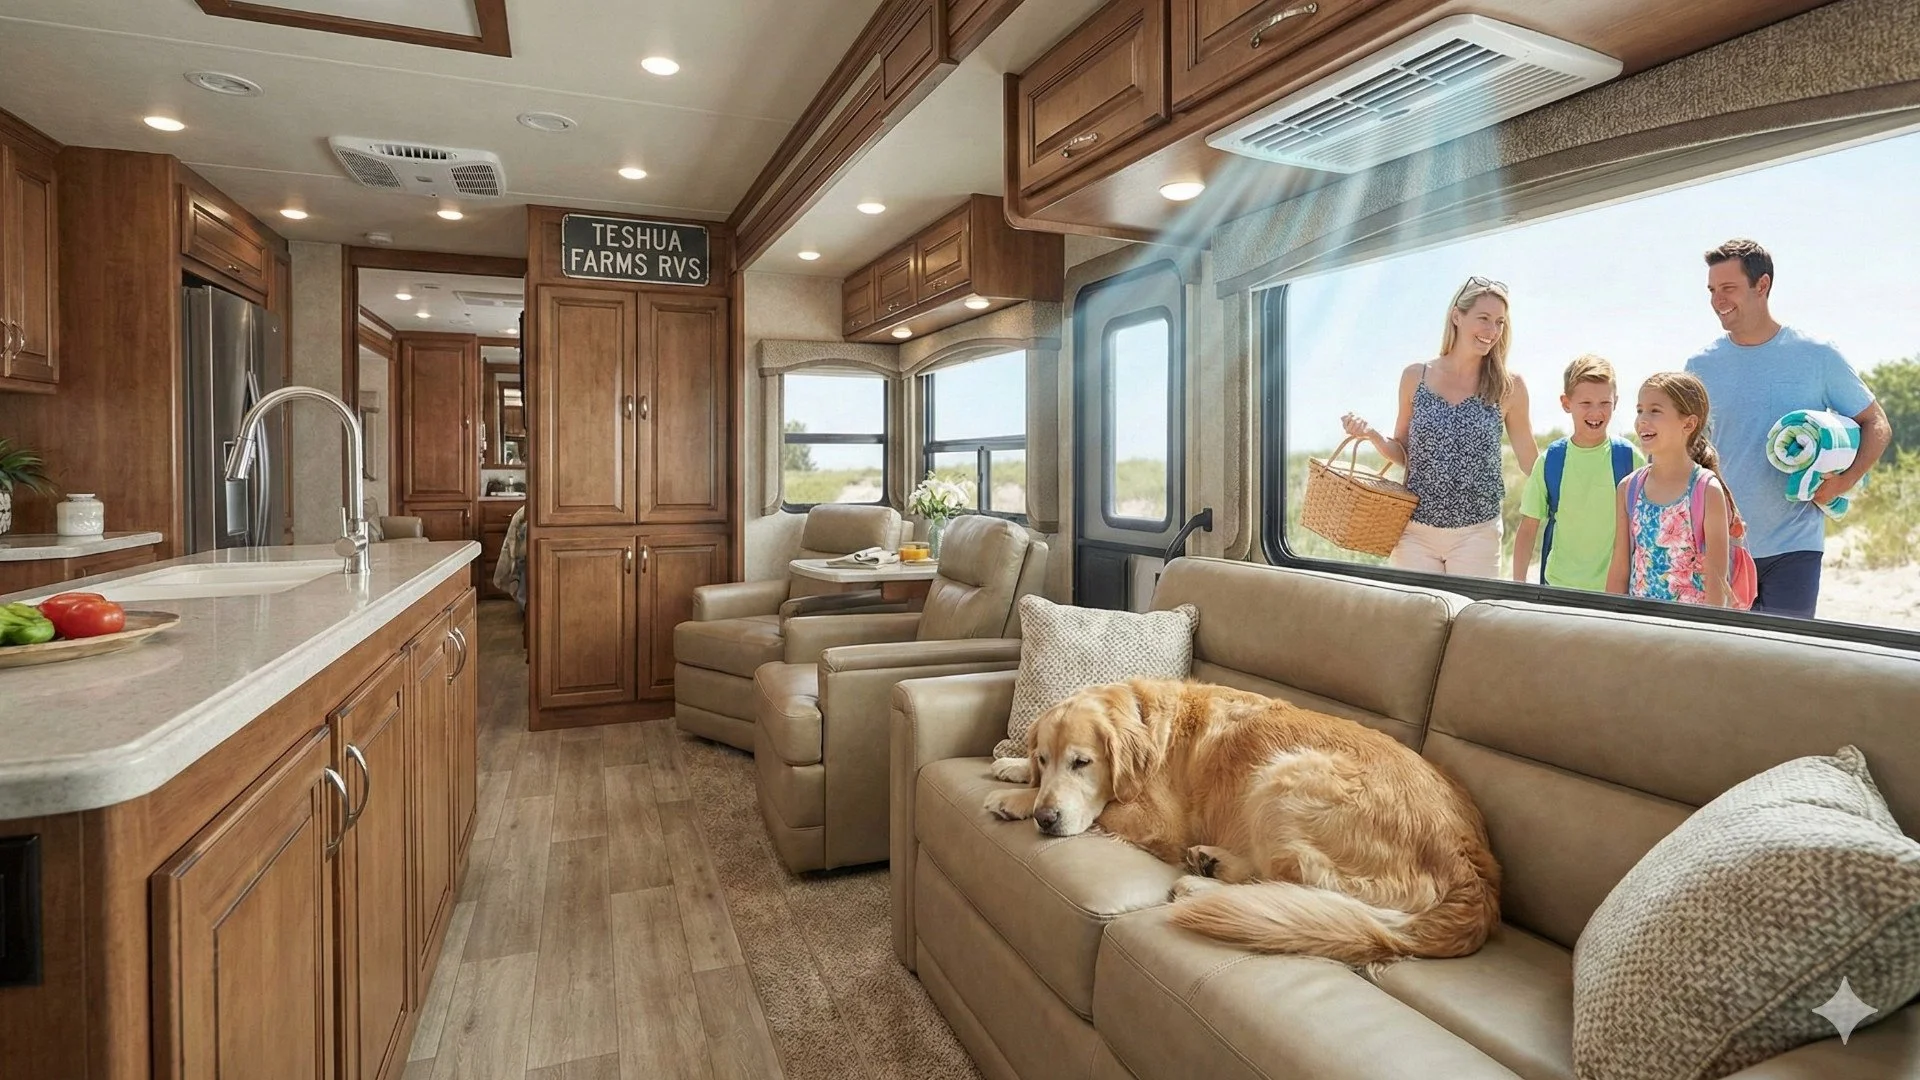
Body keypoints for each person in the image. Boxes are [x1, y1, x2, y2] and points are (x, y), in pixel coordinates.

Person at [1683, 239, 1891, 618]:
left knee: (1786, 666)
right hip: (1720, 547)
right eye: (1712, 290)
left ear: (1761, 285)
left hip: (1795, 546)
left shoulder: (1817, 355)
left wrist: (1844, 483)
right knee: (1723, 664)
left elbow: (1876, 424)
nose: (1717, 300)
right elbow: (1685, 450)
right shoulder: (1700, 365)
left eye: (1728, 288)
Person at [1342, 276, 1536, 578]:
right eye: (1483, 318)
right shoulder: (1415, 377)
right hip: (1415, 532)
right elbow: (1404, 452)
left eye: (1499, 322)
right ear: (1457, 316)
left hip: (1477, 534)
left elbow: (1530, 463)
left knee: (1470, 622)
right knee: (1414, 622)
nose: (1491, 331)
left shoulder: (1510, 387)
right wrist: (1372, 435)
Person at [1512, 355, 1645, 590]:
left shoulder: (1629, 458)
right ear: (1566, 403)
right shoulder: (1551, 460)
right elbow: (1528, 527)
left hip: (1614, 590)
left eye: (1605, 403)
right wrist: (1519, 585)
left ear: (1616, 401)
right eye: (1586, 403)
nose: (1596, 412)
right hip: (1559, 586)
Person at [1607, 373, 1734, 607]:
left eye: (1655, 411)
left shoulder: (1706, 490)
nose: (1642, 420)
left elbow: (1717, 583)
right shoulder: (1629, 488)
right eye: (1639, 410)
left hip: (1689, 634)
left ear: (1688, 424)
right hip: (1640, 629)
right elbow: (1620, 568)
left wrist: (1710, 639)